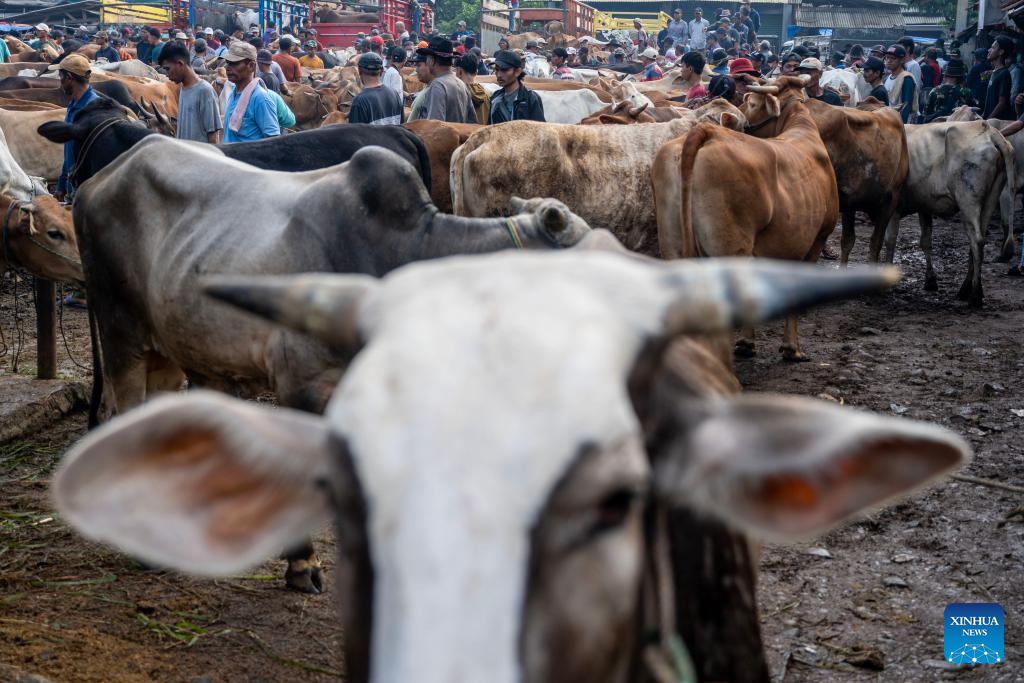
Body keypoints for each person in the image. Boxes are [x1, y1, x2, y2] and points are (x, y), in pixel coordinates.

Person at [51, 54, 99, 201]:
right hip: (73, 188)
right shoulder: (73, 105)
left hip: (88, 193)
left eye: (61, 76)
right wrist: (62, 185)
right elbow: (69, 151)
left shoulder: (94, 109)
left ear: (69, 77)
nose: (60, 81)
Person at [158, 43, 221, 143]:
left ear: (180, 64)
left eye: (167, 69)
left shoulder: (204, 90)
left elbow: (213, 136)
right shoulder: (183, 89)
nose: (167, 75)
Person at [221, 41, 280, 142]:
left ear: (251, 66)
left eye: (234, 63)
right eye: (228, 63)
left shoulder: (260, 98)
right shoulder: (233, 94)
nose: (228, 68)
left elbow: (273, 141)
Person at [411, 36, 477, 123]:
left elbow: (435, 126)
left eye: (427, 58)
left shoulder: (438, 86)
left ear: (432, 60)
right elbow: (472, 123)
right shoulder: (461, 84)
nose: (427, 61)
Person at [347, 52, 404, 125]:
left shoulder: (359, 101)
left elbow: (355, 131)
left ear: (359, 71)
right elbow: (401, 126)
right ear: (382, 71)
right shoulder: (395, 94)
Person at [489, 49, 543, 124]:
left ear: (517, 72)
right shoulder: (495, 97)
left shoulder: (530, 99)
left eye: (504, 70)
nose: (499, 75)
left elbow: (539, 128)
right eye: (497, 70)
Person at [884, 44, 917, 123]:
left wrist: (901, 125)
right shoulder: (889, 77)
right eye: (887, 57)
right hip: (888, 119)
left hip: (899, 122)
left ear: (902, 60)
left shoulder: (906, 78)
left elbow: (906, 106)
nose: (889, 60)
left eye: (893, 58)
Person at [983, 35, 1014, 119]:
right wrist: (983, 116)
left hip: (997, 122)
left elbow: (1002, 103)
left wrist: (988, 120)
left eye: (993, 48)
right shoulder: (994, 72)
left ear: (1001, 52)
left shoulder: (1004, 74)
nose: (989, 50)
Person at [455, 52, 489, 125]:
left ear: (459, 72)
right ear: (476, 72)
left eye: (455, 70)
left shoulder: (458, 94)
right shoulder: (486, 94)